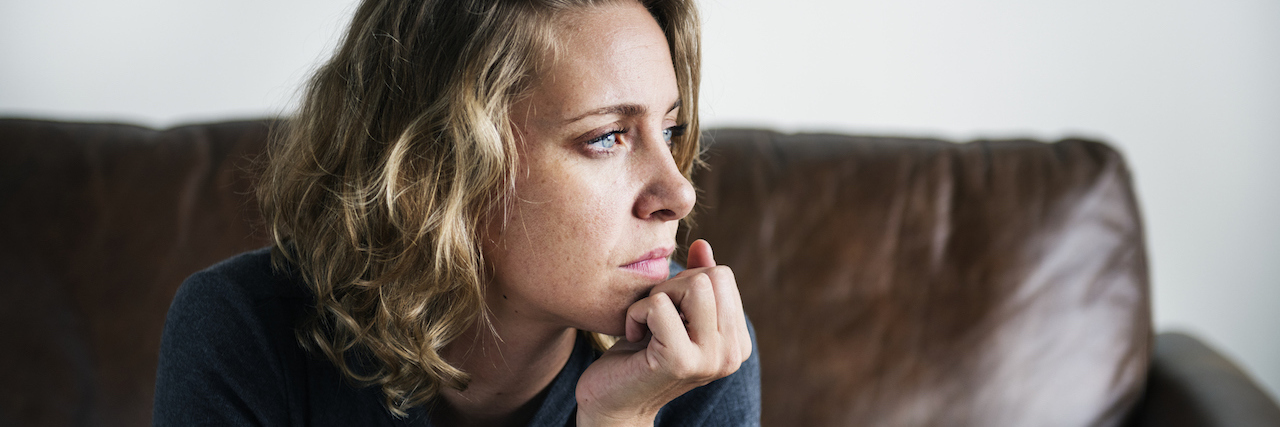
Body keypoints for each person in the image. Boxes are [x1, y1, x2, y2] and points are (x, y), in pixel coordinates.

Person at [152, 0, 760, 425]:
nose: (680, 193)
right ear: (441, 165)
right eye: (606, 136)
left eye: (672, 129)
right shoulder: (244, 330)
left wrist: (622, 417)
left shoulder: (694, 358)